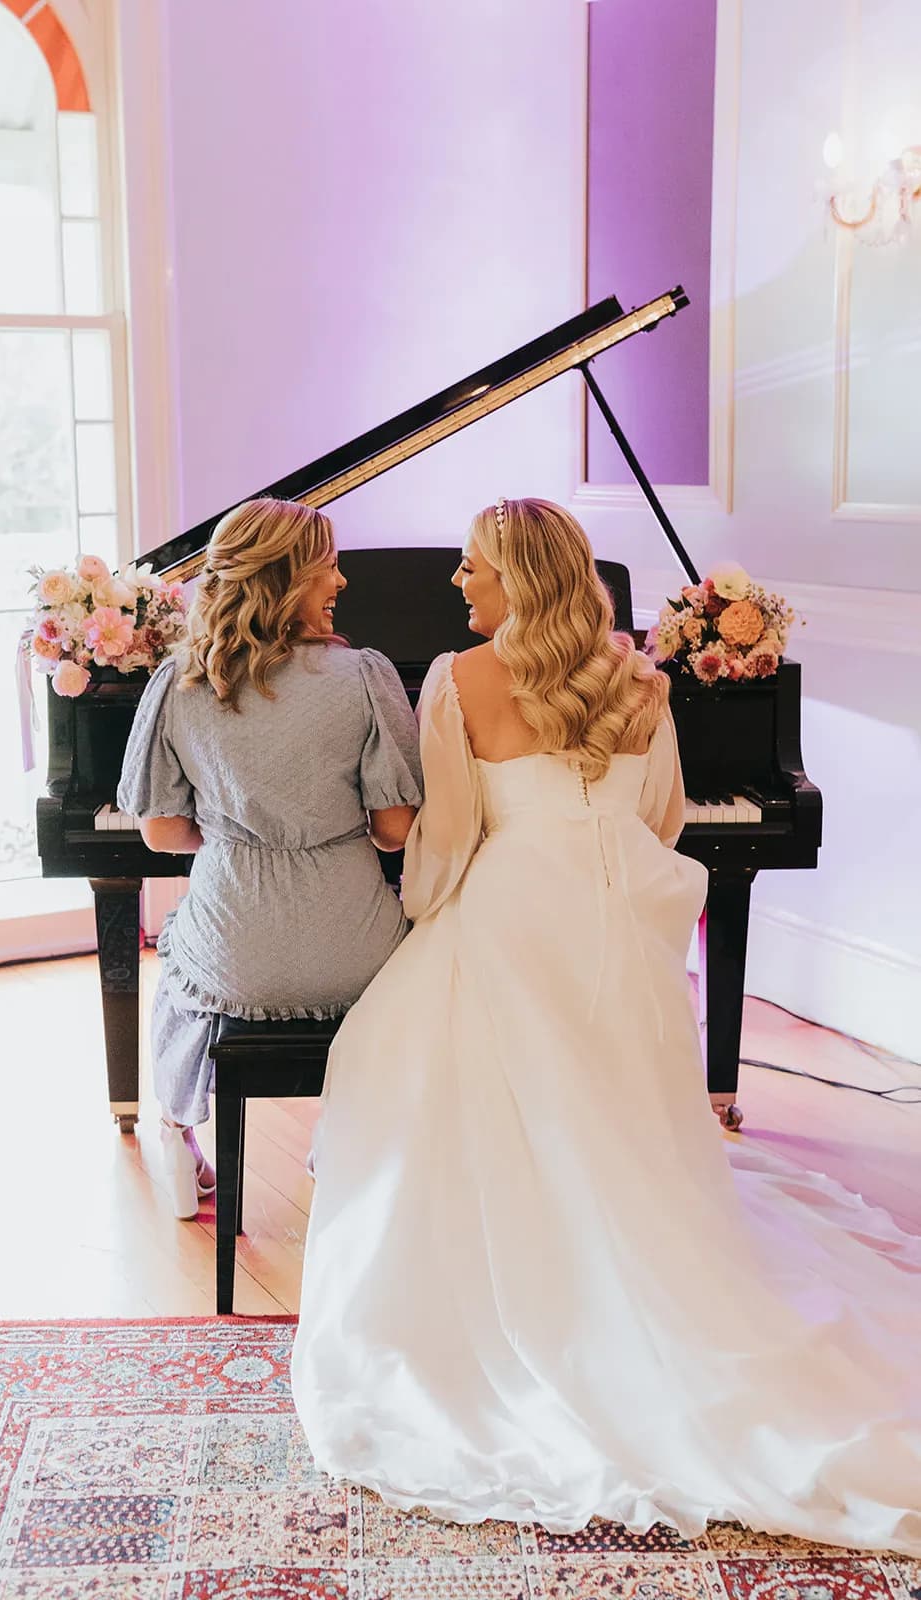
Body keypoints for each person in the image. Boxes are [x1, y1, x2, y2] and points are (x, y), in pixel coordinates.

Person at [291, 496, 921, 1554]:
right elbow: (659, 819)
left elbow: (447, 836)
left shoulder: (457, 677)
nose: (457, 581)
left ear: (518, 577)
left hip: (510, 904)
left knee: (396, 1042)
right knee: (616, 1086)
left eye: (472, 565)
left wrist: (424, 914)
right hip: (620, 910)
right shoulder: (639, 677)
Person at [116, 498, 422, 1218]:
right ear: (287, 576)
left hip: (236, 953)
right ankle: (344, 1135)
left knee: (181, 964)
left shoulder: (180, 680)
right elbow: (395, 831)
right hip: (353, 952)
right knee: (417, 957)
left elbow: (160, 834)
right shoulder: (364, 676)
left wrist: (233, 839)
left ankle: (178, 1133)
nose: (341, 581)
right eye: (328, 567)